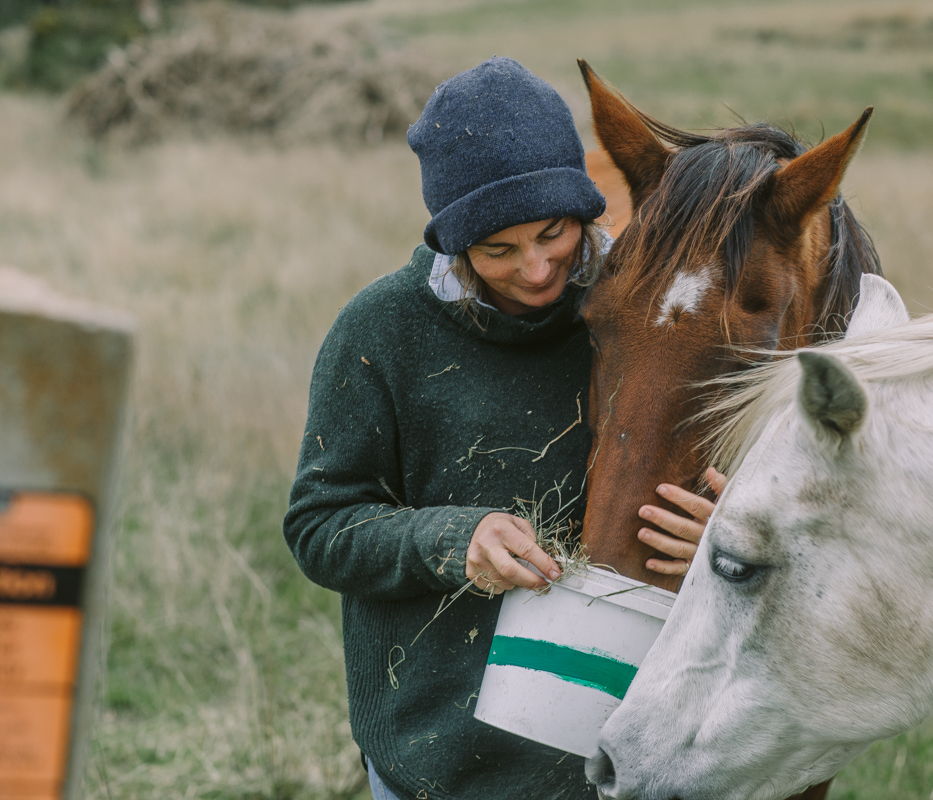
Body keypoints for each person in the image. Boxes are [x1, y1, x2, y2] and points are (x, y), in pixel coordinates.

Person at [283, 57, 721, 800]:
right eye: (498, 250)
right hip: (438, 759)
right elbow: (321, 527)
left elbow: (759, 474)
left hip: (627, 753)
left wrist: (719, 531)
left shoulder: (651, 316)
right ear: (456, 246)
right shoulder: (380, 332)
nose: (539, 268)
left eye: (554, 231)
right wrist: (455, 541)